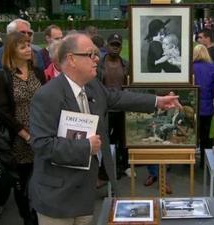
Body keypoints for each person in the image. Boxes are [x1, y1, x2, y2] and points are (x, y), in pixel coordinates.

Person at [29, 33, 181, 225]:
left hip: (84, 195)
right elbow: (42, 145)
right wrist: (85, 147)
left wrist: (158, 101)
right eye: (90, 54)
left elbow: (118, 98)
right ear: (71, 59)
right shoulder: (47, 96)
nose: (97, 58)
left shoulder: (92, 86)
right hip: (57, 199)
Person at [0, 31, 46, 225]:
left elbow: (48, 101)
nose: (28, 49)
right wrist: (25, 135)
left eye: (29, 45)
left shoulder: (38, 72)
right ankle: (28, 219)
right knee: (23, 184)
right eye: (22, 46)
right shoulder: (3, 77)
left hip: (42, 135)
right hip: (19, 139)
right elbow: (2, 111)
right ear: (11, 50)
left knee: (42, 181)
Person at [96, 33, 131, 181]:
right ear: (107, 45)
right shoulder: (99, 65)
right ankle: (105, 170)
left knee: (123, 139)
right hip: (106, 110)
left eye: (117, 45)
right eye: (112, 45)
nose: (115, 48)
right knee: (106, 140)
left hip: (121, 108)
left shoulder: (125, 64)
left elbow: (129, 84)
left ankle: (123, 167)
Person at [0, 18, 44, 96]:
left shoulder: (37, 52)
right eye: (22, 32)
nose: (27, 36)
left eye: (29, 33)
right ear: (10, 34)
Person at [193, 44, 214, 167]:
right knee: (205, 135)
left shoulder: (191, 67)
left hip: (193, 105)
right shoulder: (212, 68)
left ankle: (189, 159)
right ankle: (203, 162)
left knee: (191, 133)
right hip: (207, 107)